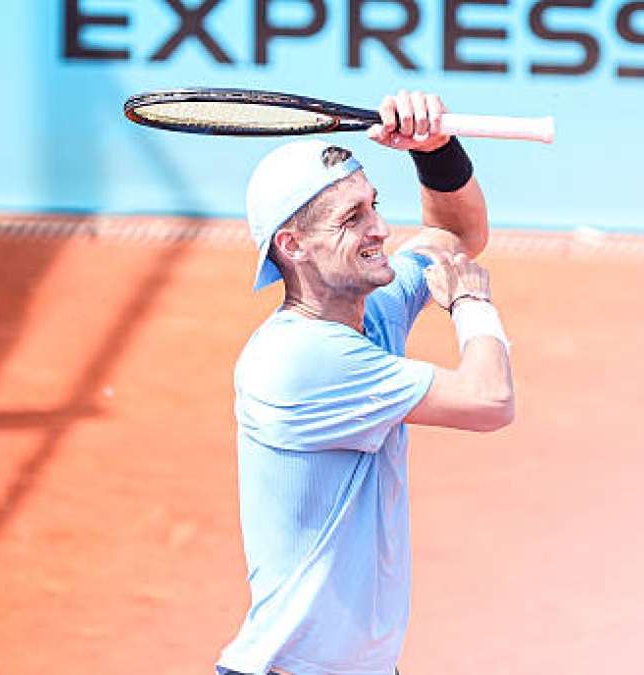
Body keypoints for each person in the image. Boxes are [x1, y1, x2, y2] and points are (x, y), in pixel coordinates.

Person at [216, 90, 514, 675]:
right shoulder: (302, 360)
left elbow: (455, 237)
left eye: (372, 205)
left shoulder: (367, 313)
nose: (379, 228)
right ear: (292, 245)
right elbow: (490, 401)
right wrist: (473, 305)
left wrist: (434, 150)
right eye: (352, 218)